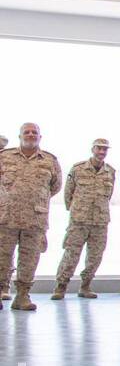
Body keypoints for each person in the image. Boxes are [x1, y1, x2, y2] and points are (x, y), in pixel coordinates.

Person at [0, 123, 62, 311]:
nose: (30, 135)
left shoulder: (50, 160)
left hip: (35, 219)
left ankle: (22, 296)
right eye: (26, 132)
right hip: (6, 218)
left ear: (40, 137)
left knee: (30, 260)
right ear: (19, 136)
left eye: (34, 132)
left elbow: (55, 186)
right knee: (1, 258)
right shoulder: (4, 157)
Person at [53, 138, 115, 300]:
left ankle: (85, 285)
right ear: (92, 149)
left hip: (100, 221)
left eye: (105, 149)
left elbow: (109, 195)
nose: (102, 152)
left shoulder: (110, 171)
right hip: (79, 220)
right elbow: (68, 194)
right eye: (99, 148)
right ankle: (61, 286)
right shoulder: (78, 169)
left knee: (95, 256)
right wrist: (76, 210)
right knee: (71, 254)